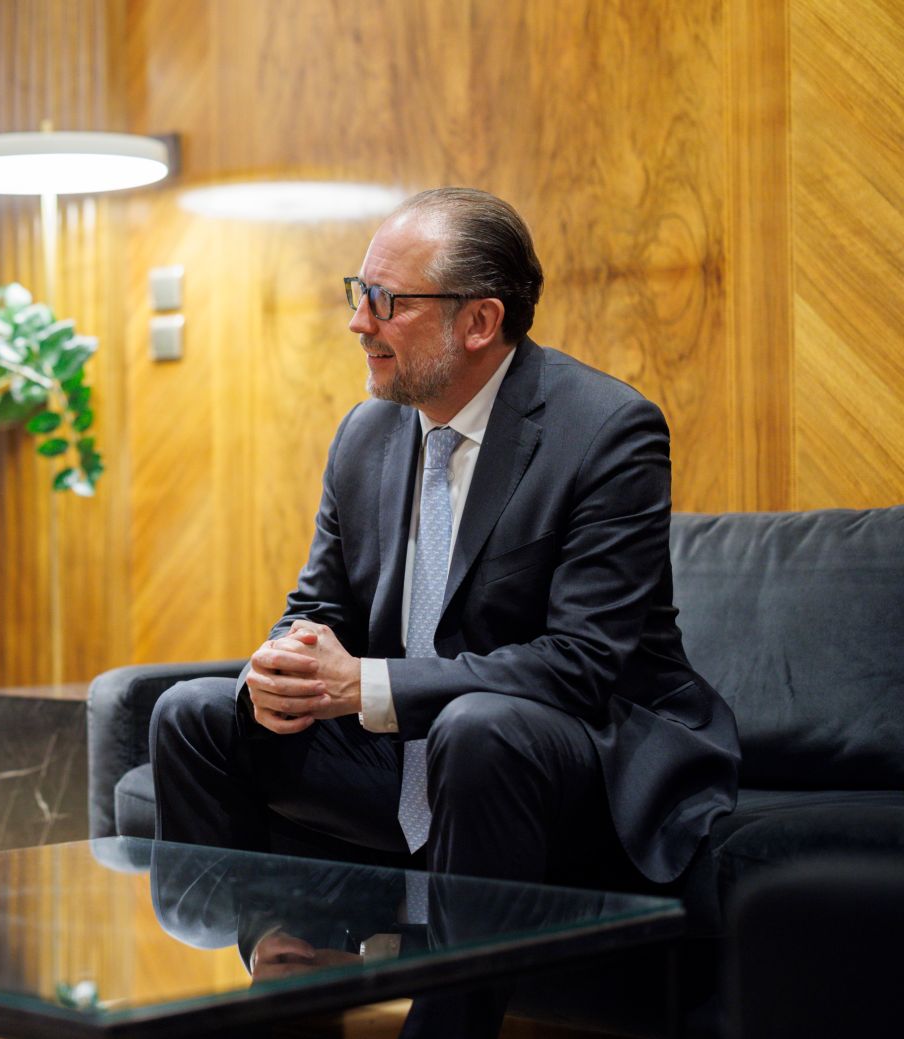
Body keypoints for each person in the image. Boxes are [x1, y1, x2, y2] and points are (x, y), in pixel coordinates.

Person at [150, 187, 740, 1035]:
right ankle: (270, 984)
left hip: (582, 753)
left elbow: (580, 664)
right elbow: (317, 606)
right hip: (415, 757)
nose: (360, 322)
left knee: (478, 727)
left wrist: (365, 687)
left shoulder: (607, 431)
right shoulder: (365, 433)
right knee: (199, 714)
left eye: (387, 301)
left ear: (479, 321)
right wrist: (285, 660)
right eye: (359, 292)